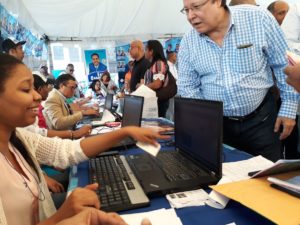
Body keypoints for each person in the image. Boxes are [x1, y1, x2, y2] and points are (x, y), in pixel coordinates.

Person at [0, 54, 164, 225]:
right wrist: (62, 215)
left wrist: (124, 132)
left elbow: (67, 150)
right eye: (26, 89)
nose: (38, 97)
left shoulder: (19, 138)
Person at [178, 0, 298, 162]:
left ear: (218, 2)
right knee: (227, 181)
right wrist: (205, 124)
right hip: (218, 127)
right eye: (186, 10)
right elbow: (188, 87)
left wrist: (288, 109)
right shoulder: (188, 42)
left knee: (268, 178)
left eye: (196, 7)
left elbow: (283, 64)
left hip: (261, 121)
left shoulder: (258, 19)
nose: (191, 16)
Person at [141, 40, 170, 118]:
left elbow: (157, 84)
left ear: (151, 51)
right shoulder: (152, 64)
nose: (145, 52)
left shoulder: (159, 63)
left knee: (157, 126)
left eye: (146, 49)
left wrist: (143, 87)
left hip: (158, 102)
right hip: (153, 101)